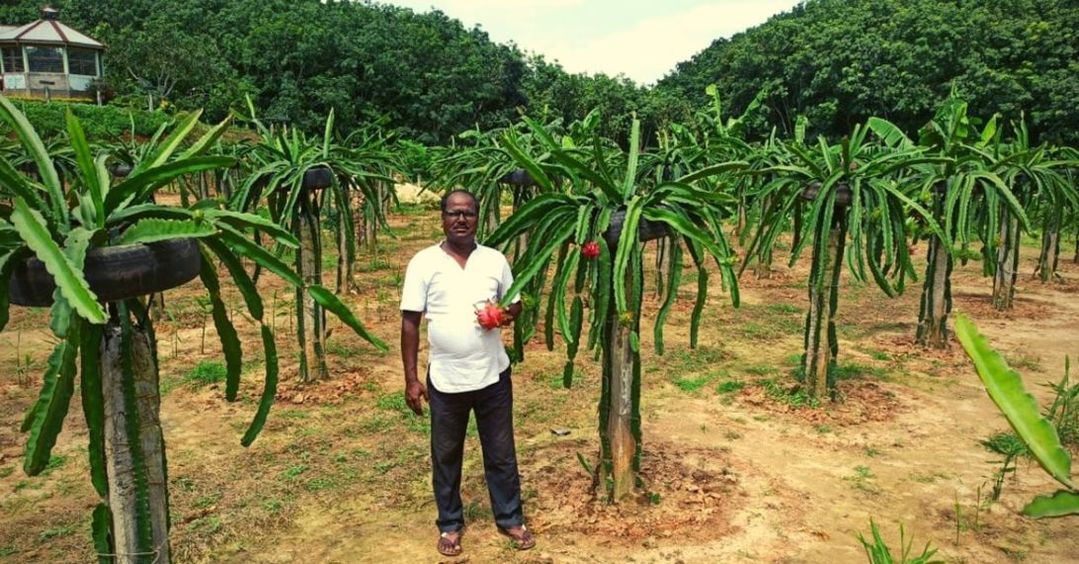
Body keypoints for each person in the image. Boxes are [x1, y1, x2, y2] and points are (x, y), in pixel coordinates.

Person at [400, 189, 534, 557]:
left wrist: (505, 315)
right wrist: (412, 378)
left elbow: (516, 302)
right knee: (446, 454)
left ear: (478, 218)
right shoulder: (423, 263)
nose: (461, 219)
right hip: (445, 379)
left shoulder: (494, 260)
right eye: (454, 213)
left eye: (469, 213)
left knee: (501, 452)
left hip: (492, 375)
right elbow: (410, 321)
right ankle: (450, 524)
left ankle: (510, 518)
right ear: (442, 218)